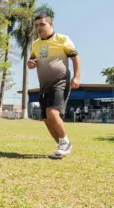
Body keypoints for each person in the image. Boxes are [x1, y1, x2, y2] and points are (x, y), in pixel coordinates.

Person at [27, 13, 80, 159]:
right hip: (44, 85)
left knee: (52, 113)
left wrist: (76, 77)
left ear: (50, 25)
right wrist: (30, 63)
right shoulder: (36, 44)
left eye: (42, 24)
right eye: (37, 25)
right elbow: (32, 60)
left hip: (61, 81)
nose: (39, 28)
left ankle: (65, 143)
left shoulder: (63, 39)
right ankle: (62, 146)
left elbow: (76, 58)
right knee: (46, 119)